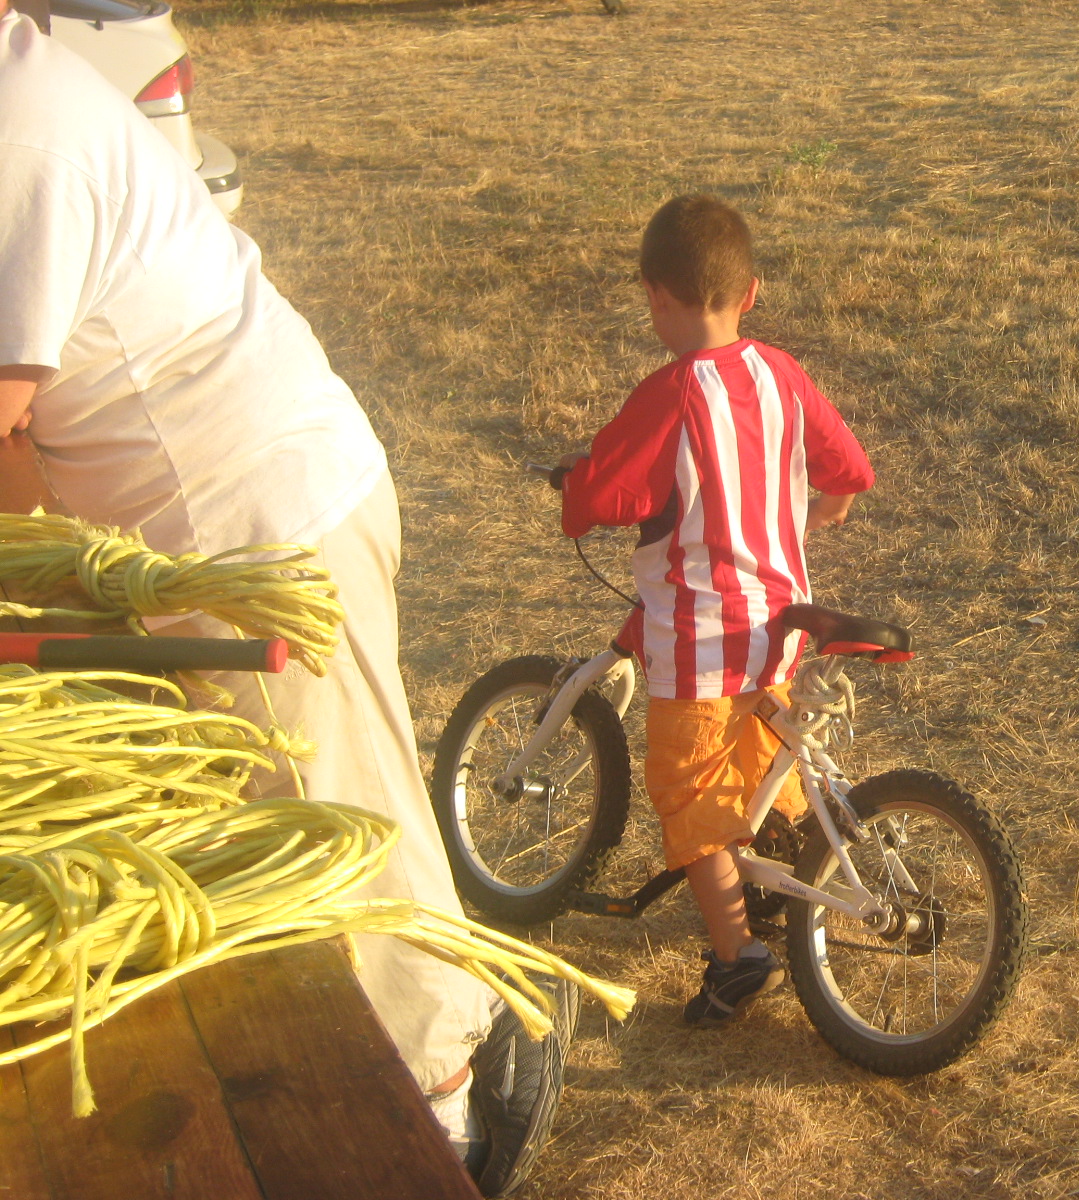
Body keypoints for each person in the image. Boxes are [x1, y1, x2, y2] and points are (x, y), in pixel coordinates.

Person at [0, 6, 559, 1193]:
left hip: (256, 532)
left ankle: (447, 1121)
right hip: (194, 539)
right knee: (291, 838)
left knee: (338, 847)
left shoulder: (19, 127)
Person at [556, 194, 874, 1026]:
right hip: (779, 622)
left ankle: (737, 957)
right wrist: (826, 508)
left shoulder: (670, 394)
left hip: (700, 640)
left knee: (690, 791)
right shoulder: (781, 374)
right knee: (762, 762)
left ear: (655, 294)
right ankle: (784, 878)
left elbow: (610, 493)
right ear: (751, 293)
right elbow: (849, 468)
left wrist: (575, 489)